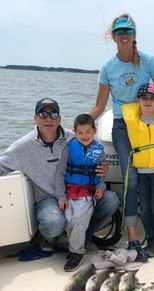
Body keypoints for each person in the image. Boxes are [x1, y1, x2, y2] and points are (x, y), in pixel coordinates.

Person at [89, 13, 154, 262]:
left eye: (128, 31)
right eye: (119, 32)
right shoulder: (107, 67)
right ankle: (133, 235)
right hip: (121, 127)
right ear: (113, 37)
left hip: (148, 123)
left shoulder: (148, 61)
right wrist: (78, 126)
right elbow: (98, 106)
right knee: (131, 179)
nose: (124, 35)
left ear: (134, 35)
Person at [0, 98, 119, 261]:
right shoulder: (23, 146)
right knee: (53, 223)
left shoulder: (74, 137)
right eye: (43, 114)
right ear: (35, 118)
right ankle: (51, 239)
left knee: (111, 200)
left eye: (53, 113)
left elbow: (96, 159)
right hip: (48, 198)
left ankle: (84, 236)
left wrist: (103, 169)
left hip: (79, 193)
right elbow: (2, 164)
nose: (48, 118)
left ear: (59, 119)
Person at [55, 114, 115, 271]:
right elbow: (60, 174)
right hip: (69, 192)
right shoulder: (68, 148)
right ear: (75, 132)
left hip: (87, 193)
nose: (84, 136)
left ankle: (77, 253)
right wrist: (61, 196)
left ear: (94, 131)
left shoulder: (97, 150)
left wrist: (100, 188)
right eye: (80, 132)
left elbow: (101, 177)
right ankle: (76, 245)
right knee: (69, 219)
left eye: (88, 132)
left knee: (80, 218)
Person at [122, 82, 154, 257]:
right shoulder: (132, 120)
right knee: (145, 209)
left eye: (153, 98)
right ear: (138, 100)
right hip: (143, 172)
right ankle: (152, 239)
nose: (148, 101)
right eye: (144, 98)